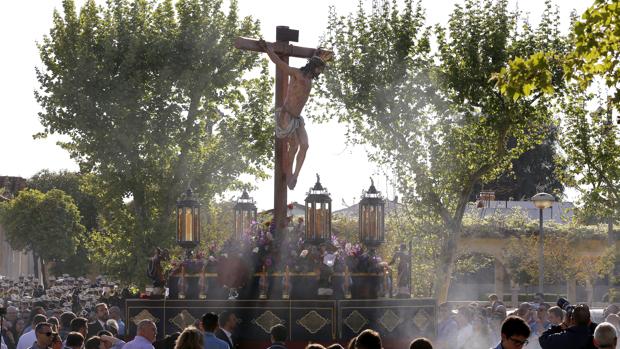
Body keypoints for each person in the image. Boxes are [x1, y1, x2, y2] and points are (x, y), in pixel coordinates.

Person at [257, 39, 328, 190]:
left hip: (297, 118)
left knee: (305, 145)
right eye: (319, 69)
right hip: (286, 115)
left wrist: (317, 53)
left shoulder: (309, 79)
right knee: (294, 145)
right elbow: (279, 63)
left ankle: (295, 176)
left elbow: (314, 58)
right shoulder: (296, 74)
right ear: (313, 67)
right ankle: (288, 173)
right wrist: (268, 49)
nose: (320, 73)